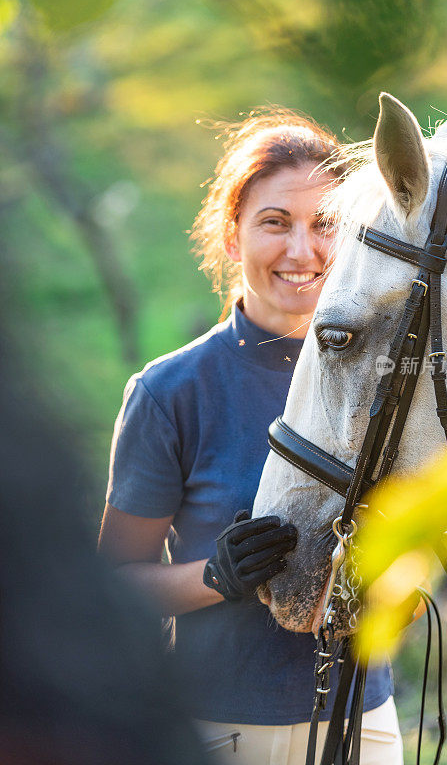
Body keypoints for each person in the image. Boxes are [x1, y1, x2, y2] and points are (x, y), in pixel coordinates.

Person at [98, 110, 402, 764]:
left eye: (324, 225)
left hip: (366, 719)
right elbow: (113, 584)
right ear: (232, 238)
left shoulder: (386, 375)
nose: (301, 251)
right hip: (223, 729)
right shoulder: (170, 393)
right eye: (274, 223)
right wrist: (216, 576)